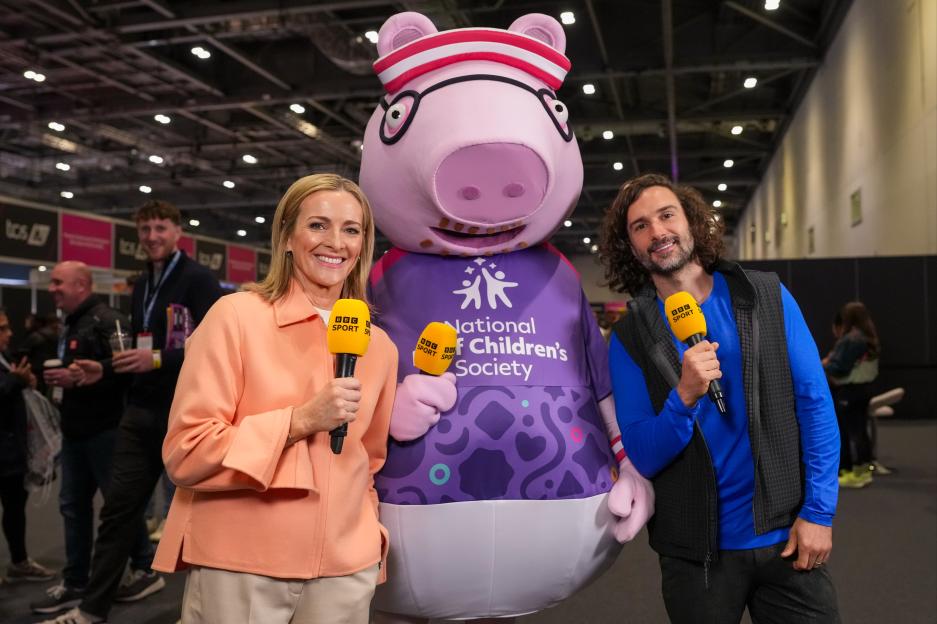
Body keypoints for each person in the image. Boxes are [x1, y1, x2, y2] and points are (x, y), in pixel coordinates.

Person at [150, 173, 397, 624]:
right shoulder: (235, 318)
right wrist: (298, 421)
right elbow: (186, 453)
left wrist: (366, 541)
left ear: (364, 245)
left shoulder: (379, 347)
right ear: (286, 237)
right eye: (318, 225)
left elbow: (370, 463)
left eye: (351, 229)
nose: (335, 243)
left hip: (344, 573)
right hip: (241, 568)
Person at [598, 173, 841, 623]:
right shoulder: (630, 336)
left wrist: (819, 512)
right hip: (695, 555)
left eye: (666, 215)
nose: (658, 232)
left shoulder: (765, 295)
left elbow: (815, 404)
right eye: (640, 226)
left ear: (691, 220)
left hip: (785, 536)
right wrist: (683, 398)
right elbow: (644, 455)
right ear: (630, 247)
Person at [40, 200, 223, 624]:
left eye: (160, 228)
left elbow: (215, 347)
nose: (152, 237)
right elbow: (141, 351)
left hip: (187, 413)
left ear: (178, 231)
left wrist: (158, 360)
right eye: (144, 230)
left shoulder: (198, 280)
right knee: (119, 510)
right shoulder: (141, 283)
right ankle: (91, 610)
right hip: (140, 412)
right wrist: (100, 369)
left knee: (202, 520)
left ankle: (203, 612)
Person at [29, 262, 152, 615]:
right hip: (75, 432)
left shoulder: (106, 319)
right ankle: (76, 581)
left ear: (81, 285)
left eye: (57, 282)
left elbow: (129, 370)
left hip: (107, 431)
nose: (51, 288)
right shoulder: (70, 321)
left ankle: (143, 567)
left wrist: (91, 376)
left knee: (118, 507)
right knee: (73, 508)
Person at [0, 307, 55, 583]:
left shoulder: (7, 356)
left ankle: (19, 562)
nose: (9, 334)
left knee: (14, 508)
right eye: (2, 329)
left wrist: (26, 381)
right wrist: (15, 380)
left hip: (11, 451)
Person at [824, 302, 880, 489]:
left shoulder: (852, 339)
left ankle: (850, 471)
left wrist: (825, 363)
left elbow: (839, 368)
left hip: (850, 391)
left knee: (847, 431)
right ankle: (863, 470)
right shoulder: (868, 337)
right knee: (860, 431)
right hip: (864, 390)